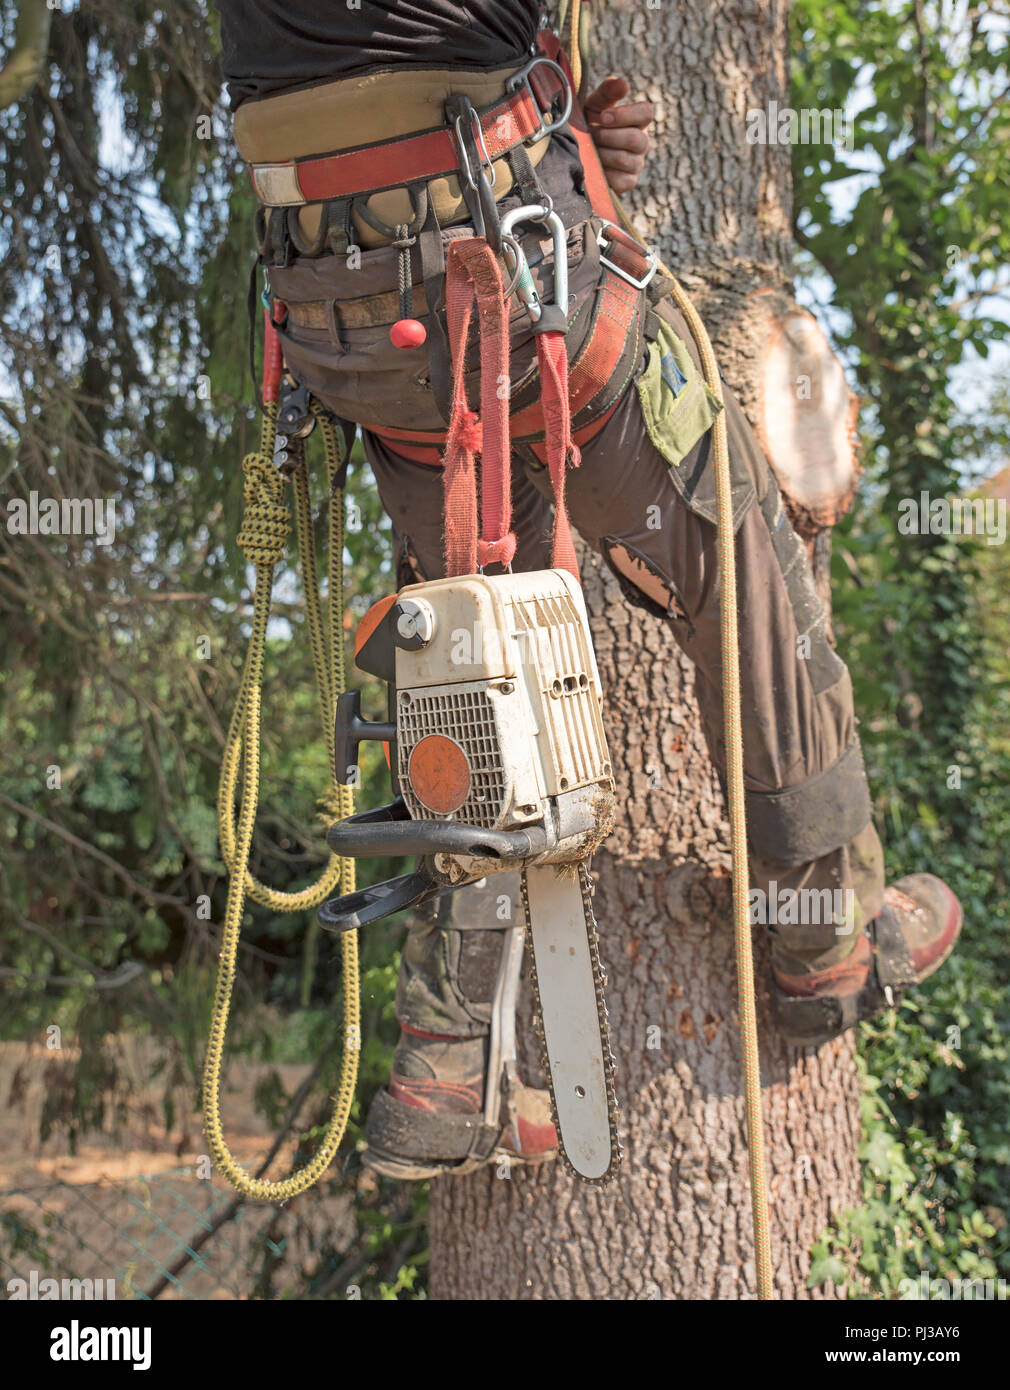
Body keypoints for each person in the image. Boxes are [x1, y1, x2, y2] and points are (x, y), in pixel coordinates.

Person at [214, 1, 962, 1178]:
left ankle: (441, 1063)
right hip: (529, 310)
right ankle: (820, 941)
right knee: (744, 570)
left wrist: (547, 126)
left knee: (451, 641)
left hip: (350, 331)